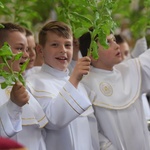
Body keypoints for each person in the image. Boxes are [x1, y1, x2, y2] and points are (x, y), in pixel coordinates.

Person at [26, 21, 100, 150]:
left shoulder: (79, 85)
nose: (63, 50)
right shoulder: (33, 84)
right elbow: (54, 121)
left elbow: (91, 129)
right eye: (55, 45)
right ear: (40, 49)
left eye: (68, 45)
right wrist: (74, 79)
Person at [79, 28, 150, 150]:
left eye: (114, 40)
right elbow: (93, 133)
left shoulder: (129, 70)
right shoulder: (85, 86)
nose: (116, 46)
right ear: (92, 54)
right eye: (107, 42)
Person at [0, 22, 48, 150]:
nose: (27, 55)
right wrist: (13, 104)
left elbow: (39, 137)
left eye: (27, 49)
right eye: (20, 48)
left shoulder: (23, 84)